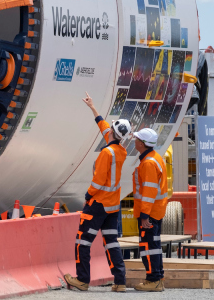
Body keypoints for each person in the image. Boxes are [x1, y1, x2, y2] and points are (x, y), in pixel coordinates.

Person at [64, 93, 131, 292]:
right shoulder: (120, 151)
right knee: (111, 242)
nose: (107, 129)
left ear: (112, 132)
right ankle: (120, 282)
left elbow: (98, 182)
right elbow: (105, 129)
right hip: (112, 207)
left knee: (82, 242)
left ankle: (82, 280)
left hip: (98, 204)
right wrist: (93, 109)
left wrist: (87, 196)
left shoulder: (105, 153)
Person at [132, 128, 168, 292]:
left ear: (141, 143)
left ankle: (153, 280)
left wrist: (144, 215)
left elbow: (149, 191)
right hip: (155, 210)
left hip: (150, 213)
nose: (134, 141)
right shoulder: (155, 158)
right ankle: (157, 278)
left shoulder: (148, 163)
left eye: (137, 139)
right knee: (154, 245)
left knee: (148, 246)